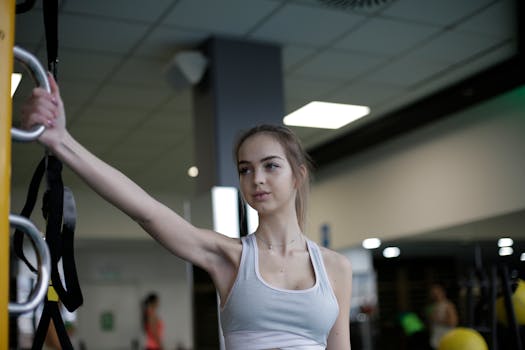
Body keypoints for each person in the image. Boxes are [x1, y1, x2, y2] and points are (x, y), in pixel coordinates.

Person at [21, 74, 353, 350]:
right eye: (245, 169)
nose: (257, 179)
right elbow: (147, 211)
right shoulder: (229, 257)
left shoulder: (335, 268)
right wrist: (62, 142)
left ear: (297, 175)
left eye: (270, 166)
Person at [427, 283, 459, 349]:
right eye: (433, 294)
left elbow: (453, 322)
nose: (435, 296)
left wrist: (438, 320)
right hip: (435, 338)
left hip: (446, 338)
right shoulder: (433, 306)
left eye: (437, 293)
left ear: (442, 293)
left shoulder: (448, 305)